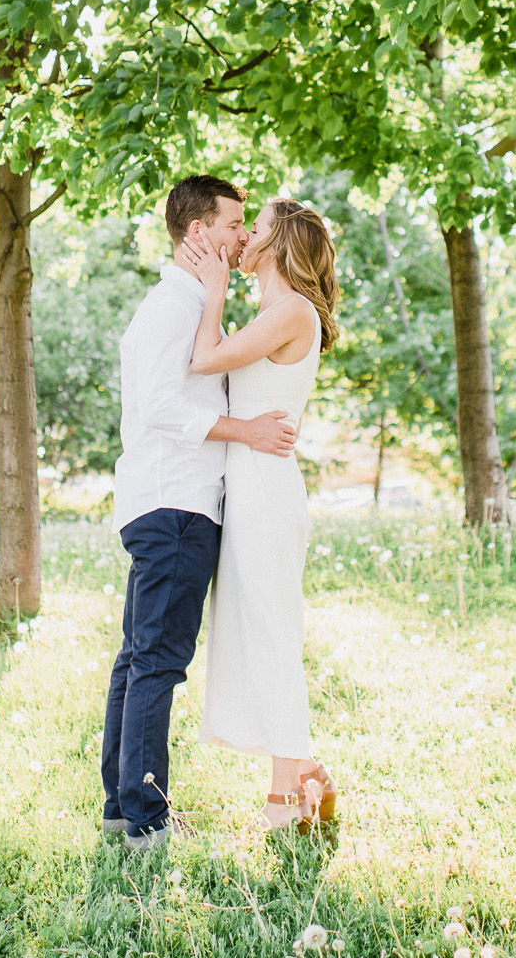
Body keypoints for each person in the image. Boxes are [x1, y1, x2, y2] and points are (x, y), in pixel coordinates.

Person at [100, 175, 300, 853]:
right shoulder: (174, 308)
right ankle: (147, 820)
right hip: (177, 504)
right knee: (157, 661)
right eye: (234, 224)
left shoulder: (190, 304)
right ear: (198, 233)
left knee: (138, 658)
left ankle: (122, 807)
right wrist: (244, 432)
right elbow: (159, 406)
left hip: (168, 501)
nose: (244, 236)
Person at [181, 197, 341, 834]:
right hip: (245, 485)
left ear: (278, 244)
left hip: (268, 491)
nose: (245, 236)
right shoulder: (274, 311)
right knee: (253, 632)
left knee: (273, 632)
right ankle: (309, 774)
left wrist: (214, 289)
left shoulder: (292, 311)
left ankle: (283, 800)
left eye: (258, 228)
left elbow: (203, 360)